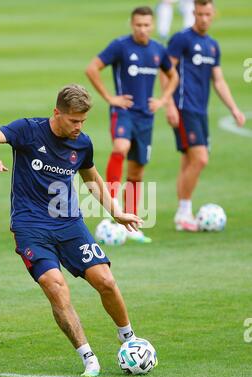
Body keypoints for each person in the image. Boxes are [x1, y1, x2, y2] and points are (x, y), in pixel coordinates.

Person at [0, 84, 145, 377]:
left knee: (105, 280)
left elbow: (91, 178)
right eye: (74, 121)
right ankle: (88, 357)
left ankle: (128, 338)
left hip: (69, 223)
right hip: (30, 226)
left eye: (83, 121)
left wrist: (116, 211)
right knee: (56, 286)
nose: (79, 127)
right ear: (57, 113)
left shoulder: (82, 144)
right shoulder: (28, 130)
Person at [86, 6, 178, 243]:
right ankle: (111, 208)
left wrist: (163, 100)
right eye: (138, 24)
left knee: (137, 172)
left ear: (153, 25)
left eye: (147, 25)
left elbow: (173, 76)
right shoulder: (120, 46)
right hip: (123, 112)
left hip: (146, 118)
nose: (142, 29)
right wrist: (110, 97)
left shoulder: (158, 50)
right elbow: (92, 68)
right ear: (131, 24)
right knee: (120, 148)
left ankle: (132, 223)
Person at [162, 0, 246, 231]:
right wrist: (168, 103)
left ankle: (183, 213)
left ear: (213, 14)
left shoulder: (212, 46)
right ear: (194, 13)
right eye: (200, 14)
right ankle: (183, 212)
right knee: (200, 159)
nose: (204, 19)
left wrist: (234, 109)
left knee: (189, 160)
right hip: (183, 107)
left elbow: (218, 80)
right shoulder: (181, 39)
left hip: (200, 110)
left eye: (208, 14)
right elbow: (166, 72)